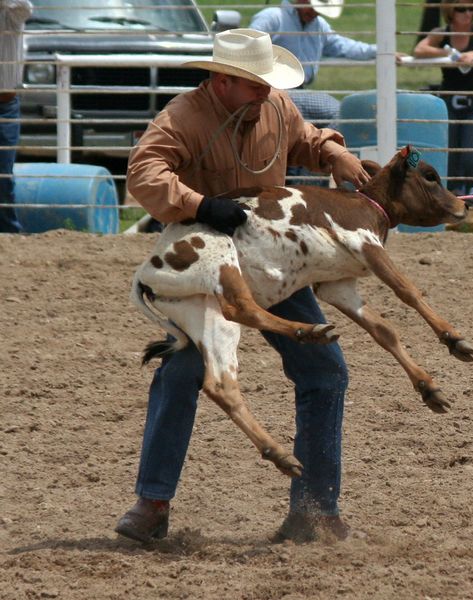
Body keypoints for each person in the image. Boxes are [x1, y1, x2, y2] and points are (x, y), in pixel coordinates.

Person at [114, 28, 372, 545]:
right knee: (184, 366)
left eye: (266, 84)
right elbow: (143, 173)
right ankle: (153, 501)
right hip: (200, 260)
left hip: (264, 257)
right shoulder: (183, 118)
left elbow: (304, 138)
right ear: (223, 80)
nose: (265, 92)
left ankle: (315, 511)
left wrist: (333, 153)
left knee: (325, 370)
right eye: (254, 84)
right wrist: (200, 205)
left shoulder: (274, 106)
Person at [413, 0, 473, 197]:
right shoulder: (442, 33)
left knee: (472, 156)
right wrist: (449, 53)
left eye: (472, 9)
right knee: (451, 155)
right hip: (448, 103)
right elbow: (419, 50)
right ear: (450, 11)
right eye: (461, 9)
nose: (467, 13)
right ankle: (453, 194)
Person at [250, 0, 377, 129]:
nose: (315, 12)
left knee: (336, 113)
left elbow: (343, 46)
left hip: (292, 93)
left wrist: (379, 50)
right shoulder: (272, 17)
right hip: (272, 91)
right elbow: (248, 49)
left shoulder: (318, 25)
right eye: (312, 7)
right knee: (338, 112)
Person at [0, 0, 32, 233]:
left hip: (4, 102)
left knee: (2, 173)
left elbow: (25, 7)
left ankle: (8, 231)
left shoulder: (11, 14)